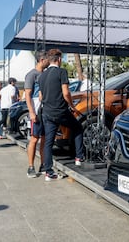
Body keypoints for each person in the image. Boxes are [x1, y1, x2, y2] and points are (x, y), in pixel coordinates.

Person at [39, 49, 84, 182]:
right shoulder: (61, 72)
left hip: (47, 112)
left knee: (48, 141)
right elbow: (66, 93)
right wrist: (72, 106)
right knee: (77, 127)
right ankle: (78, 157)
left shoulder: (42, 75)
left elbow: (41, 96)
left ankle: (48, 172)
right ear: (59, 59)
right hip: (60, 111)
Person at [25, 51, 49, 178]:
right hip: (36, 112)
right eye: (47, 60)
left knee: (45, 139)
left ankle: (43, 165)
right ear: (41, 60)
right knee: (34, 139)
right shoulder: (31, 75)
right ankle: (30, 167)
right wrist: (32, 112)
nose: (48, 62)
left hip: (46, 112)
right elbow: (28, 95)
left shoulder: (45, 75)